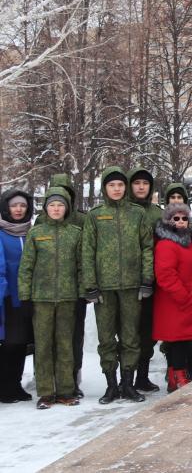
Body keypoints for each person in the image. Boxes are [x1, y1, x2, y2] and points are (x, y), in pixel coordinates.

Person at [81, 166, 153, 404]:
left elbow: (147, 248)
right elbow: (87, 251)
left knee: (131, 337)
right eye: (112, 185)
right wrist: (90, 284)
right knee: (106, 338)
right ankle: (111, 385)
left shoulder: (137, 213)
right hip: (104, 289)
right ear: (105, 188)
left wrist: (146, 279)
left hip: (132, 286)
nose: (117, 189)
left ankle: (128, 384)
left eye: (120, 185)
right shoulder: (95, 215)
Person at [18, 188, 82, 408]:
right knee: (43, 346)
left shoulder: (75, 232)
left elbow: (81, 266)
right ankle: (46, 392)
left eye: (60, 205)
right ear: (46, 208)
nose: (56, 209)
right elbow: (26, 267)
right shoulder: (36, 233)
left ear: (67, 208)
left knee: (65, 345)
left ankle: (65, 390)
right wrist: (25, 296)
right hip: (41, 299)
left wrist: (81, 292)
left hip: (67, 298)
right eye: (52, 205)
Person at [152, 203, 192, 392]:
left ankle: (175, 377)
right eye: (175, 218)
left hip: (188, 302)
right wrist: (184, 296)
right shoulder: (166, 244)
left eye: (184, 218)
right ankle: (179, 376)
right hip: (176, 303)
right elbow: (165, 275)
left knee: (184, 340)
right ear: (168, 221)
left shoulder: (188, 243)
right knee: (177, 341)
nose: (180, 221)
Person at [37, 175, 88, 398]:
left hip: (74, 290)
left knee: (72, 338)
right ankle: (49, 385)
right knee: (49, 340)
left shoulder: (81, 221)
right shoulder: (40, 223)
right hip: (48, 292)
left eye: (65, 192)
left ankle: (71, 380)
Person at [127, 167, 162, 393]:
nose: (141, 187)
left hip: (153, 280)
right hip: (128, 280)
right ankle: (126, 379)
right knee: (129, 332)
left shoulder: (157, 214)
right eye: (137, 183)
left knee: (148, 332)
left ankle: (142, 376)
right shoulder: (125, 211)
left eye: (145, 183)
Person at [0, 189, 35, 405]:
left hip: (28, 297)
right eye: (14, 205)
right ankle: (5, 387)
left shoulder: (31, 232)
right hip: (8, 297)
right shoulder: (2, 233)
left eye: (22, 205)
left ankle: (17, 385)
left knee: (22, 343)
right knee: (10, 343)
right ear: (6, 208)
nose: (19, 209)